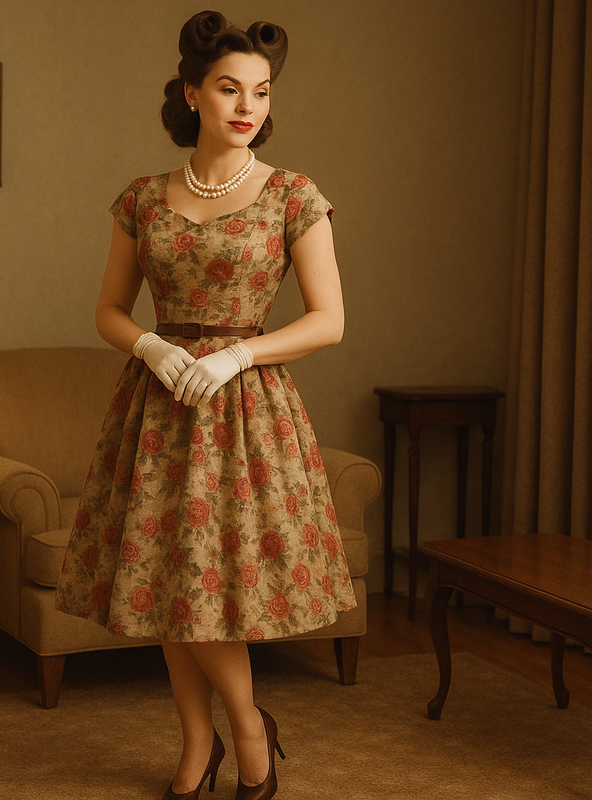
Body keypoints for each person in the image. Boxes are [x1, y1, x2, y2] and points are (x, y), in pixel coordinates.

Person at [55, 10, 355, 800]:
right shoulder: (143, 200)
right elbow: (109, 310)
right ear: (193, 94)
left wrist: (236, 354)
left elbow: (330, 320)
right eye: (229, 88)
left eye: (260, 91)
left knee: (211, 593)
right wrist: (151, 346)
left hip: (247, 410)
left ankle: (248, 726)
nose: (248, 106)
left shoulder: (294, 195)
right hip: (157, 409)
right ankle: (200, 743)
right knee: (164, 585)